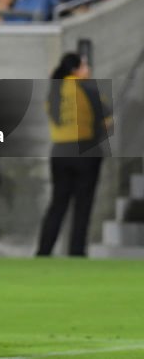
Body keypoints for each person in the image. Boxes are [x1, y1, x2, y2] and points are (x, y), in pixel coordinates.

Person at [37, 53, 110, 257]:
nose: (88, 69)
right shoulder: (88, 88)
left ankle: (44, 251)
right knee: (82, 205)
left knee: (57, 204)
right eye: (85, 65)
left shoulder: (54, 90)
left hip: (59, 152)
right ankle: (76, 252)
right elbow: (106, 119)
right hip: (85, 151)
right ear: (76, 69)